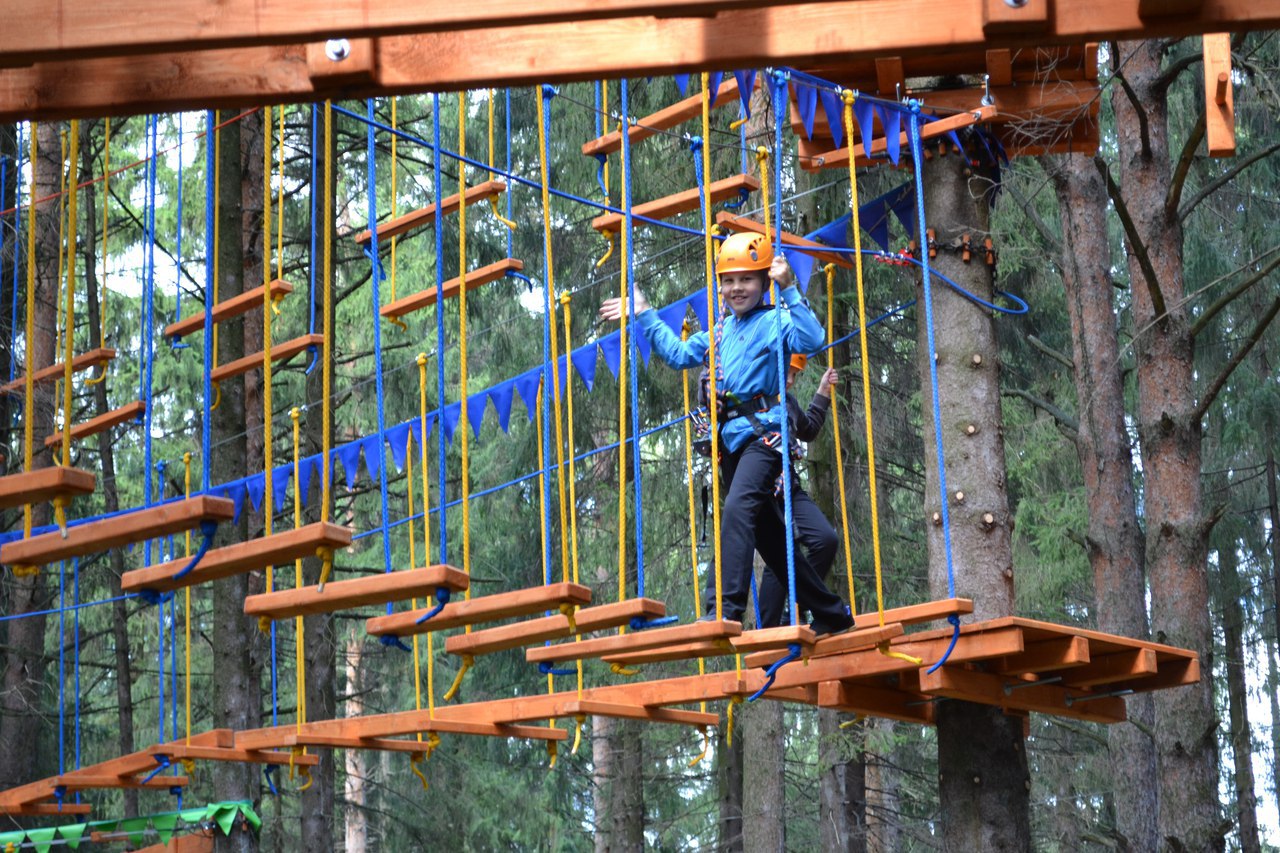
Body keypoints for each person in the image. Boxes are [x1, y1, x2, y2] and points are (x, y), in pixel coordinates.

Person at [599, 233, 853, 634]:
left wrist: (788, 288)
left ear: (763, 282)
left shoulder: (776, 321)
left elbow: (812, 339)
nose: (736, 289)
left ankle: (728, 611)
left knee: (736, 510)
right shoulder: (719, 333)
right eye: (729, 281)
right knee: (771, 542)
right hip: (731, 444)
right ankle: (832, 613)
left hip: (766, 439)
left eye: (747, 280)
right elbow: (678, 354)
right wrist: (645, 313)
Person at [754, 355, 850, 632]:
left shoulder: (788, 402)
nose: (791, 380)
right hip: (763, 491)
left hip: (789, 488)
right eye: (788, 373)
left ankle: (799, 606)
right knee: (779, 557)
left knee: (825, 539)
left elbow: (807, 431)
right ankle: (769, 632)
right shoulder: (753, 398)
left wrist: (822, 393)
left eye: (795, 375)